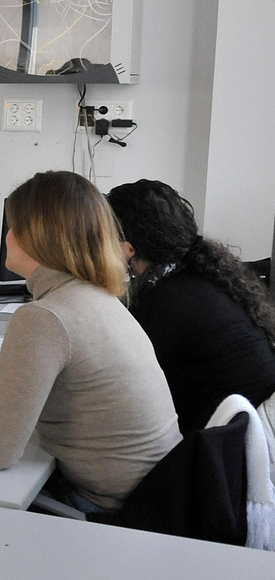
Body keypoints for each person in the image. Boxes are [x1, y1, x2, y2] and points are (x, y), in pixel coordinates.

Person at [0, 171, 181, 513]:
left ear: (37, 237)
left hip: (109, 510)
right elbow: (60, 393)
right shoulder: (99, 297)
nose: (8, 236)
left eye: (13, 227)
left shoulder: (45, 318)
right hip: (156, 495)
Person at [107, 179, 275, 433]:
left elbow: (118, 384)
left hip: (224, 449)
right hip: (248, 436)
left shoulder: (164, 300)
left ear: (128, 248)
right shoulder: (204, 275)